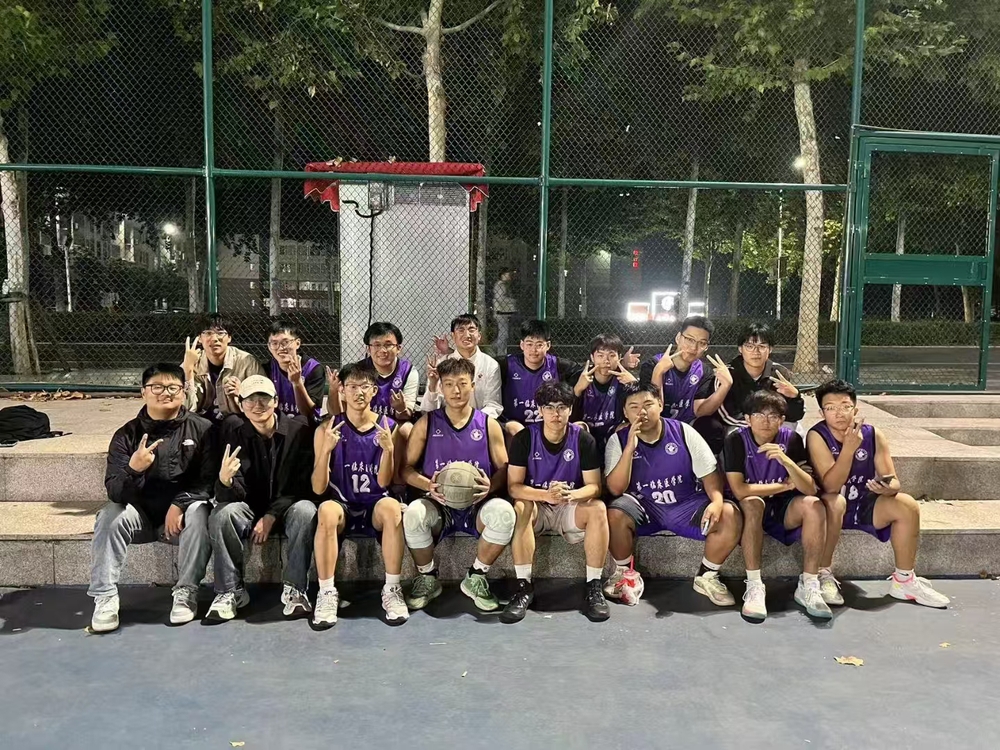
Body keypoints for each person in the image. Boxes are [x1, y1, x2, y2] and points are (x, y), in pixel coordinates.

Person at [89, 363, 214, 633]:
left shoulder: (203, 429)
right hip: (141, 515)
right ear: (143, 392)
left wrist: (180, 503)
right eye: (157, 387)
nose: (165, 393)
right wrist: (134, 469)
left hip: (181, 519)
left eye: (173, 387)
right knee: (109, 514)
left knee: (199, 511)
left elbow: (208, 481)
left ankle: (186, 591)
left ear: (184, 391)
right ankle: (105, 597)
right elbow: (114, 490)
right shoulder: (127, 434)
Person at [807, 379, 950, 608]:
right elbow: (831, 486)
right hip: (830, 508)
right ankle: (823, 574)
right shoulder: (817, 435)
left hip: (864, 503)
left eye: (845, 406)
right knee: (835, 501)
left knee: (907, 504)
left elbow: (893, 480)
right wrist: (848, 450)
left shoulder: (873, 434)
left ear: (855, 409)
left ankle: (904, 580)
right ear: (822, 413)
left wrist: (888, 487)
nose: (839, 413)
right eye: (830, 408)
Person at [603, 385, 741, 608]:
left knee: (729, 513)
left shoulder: (684, 431)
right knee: (614, 513)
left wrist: (716, 501)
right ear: (625, 413)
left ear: (660, 405)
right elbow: (616, 489)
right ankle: (624, 574)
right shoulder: (618, 440)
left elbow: (710, 473)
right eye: (634, 407)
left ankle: (707, 576)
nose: (642, 412)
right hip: (644, 506)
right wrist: (629, 449)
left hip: (685, 505)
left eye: (648, 404)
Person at [402, 358, 514, 612]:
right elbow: (406, 470)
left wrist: (491, 486)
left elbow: (505, 468)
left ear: (473, 386)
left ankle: (476, 576)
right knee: (413, 513)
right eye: (449, 384)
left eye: (463, 384)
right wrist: (427, 484)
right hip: (438, 504)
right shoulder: (427, 423)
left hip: (477, 504)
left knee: (505, 513)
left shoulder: (488, 424)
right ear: (440, 387)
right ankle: (428, 577)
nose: (456, 390)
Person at [206, 375, 319, 622]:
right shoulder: (233, 432)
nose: (258, 405)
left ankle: (295, 589)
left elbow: (302, 486)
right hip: (248, 507)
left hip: (287, 506)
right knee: (222, 514)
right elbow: (230, 495)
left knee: (307, 510)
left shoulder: (298, 430)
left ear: (276, 401)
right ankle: (230, 591)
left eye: (264, 398)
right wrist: (225, 481)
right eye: (250, 399)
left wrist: (271, 515)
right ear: (241, 403)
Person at [501, 381, 609, 624]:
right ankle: (523, 587)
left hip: (568, 506)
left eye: (561, 407)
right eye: (549, 407)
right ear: (540, 410)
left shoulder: (583, 440)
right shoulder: (525, 438)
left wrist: (570, 494)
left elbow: (594, 486)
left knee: (598, 509)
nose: (555, 414)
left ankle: (594, 586)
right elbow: (514, 487)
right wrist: (545, 495)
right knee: (521, 506)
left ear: (570, 410)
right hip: (538, 506)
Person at [311, 362, 409, 627]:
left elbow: (384, 481)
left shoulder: (388, 427)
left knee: (392, 508)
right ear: (341, 391)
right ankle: (327, 592)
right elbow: (318, 488)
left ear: (374, 391)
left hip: (374, 504)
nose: (359, 392)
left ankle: (392, 589)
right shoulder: (327, 428)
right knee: (326, 510)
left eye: (365, 386)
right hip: (342, 504)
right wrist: (326, 451)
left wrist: (388, 450)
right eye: (352, 386)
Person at [723, 391, 830, 622]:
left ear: (782, 420)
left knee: (814, 505)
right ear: (747, 419)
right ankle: (754, 585)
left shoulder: (791, 439)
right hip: (749, 507)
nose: (766, 421)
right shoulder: (736, 440)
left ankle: (809, 583)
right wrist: (783, 486)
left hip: (782, 507)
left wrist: (786, 461)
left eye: (773, 416)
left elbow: (809, 488)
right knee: (752, 503)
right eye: (759, 415)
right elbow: (740, 490)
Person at [692, 321, 804, 454]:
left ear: (770, 349)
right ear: (740, 348)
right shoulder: (728, 373)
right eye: (749, 346)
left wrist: (795, 397)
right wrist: (755, 425)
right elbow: (725, 413)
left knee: (796, 430)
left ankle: (791, 465)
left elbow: (793, 416)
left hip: (770, 424)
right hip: (736, 425)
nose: (756, 352)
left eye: (762, 346)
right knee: (717, 430)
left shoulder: (779, 373)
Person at [499, 319, 582, 437]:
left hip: (549, 425)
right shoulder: (506, 365)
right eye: (529, 344)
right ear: (522, 345)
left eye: (539, 345)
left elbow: (582, 372)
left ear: (548, 345)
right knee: (513, 430)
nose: (534, 350)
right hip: (515, 425)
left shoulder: (559, 366)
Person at [328, 321, 419, 423]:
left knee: (407, 428)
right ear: (368, 349)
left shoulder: (408, 372)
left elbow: (406, 416)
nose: (382, 350)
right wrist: (333, 391)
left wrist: (400, 409)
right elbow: (336, 415)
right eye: (377, 345)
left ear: (398, 348)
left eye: (388, 345)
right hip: (362, 423)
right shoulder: (357, 371)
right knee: (325, 426)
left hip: (394, 423)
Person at [181, 314, 265, 424]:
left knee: (233, 421)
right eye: (208, 333)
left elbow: (262, 399)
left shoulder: (246, 361)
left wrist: (242, 393)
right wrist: (188, 370)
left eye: (220, 333)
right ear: (200, 338)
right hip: (202, 422)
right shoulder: (192, 362)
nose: (214, 339)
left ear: (229, 337)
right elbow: (186, 408)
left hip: (235, 421)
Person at [421, 313, 502, 419]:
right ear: (453, 336)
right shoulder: (441, 364)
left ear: (479, 336)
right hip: (446, 422)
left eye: (471, 330)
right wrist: (433, 384)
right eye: (461, 330)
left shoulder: (490, 365)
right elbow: (428, 409)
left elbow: (493, 405)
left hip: (478, 423)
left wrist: (471, 422)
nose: (467, 335)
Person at [572, 333, 638, 452]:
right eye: (600, 355)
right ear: (592, 358)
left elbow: (641, 407)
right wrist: (577, 390)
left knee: (629, 427)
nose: (606, 361)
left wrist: (634, 383)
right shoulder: (579, 377)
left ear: (619, 357)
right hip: (586, 432)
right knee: (578, 427)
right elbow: (568, 414)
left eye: (611, 355)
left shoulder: (624, 379)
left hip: (613, 432)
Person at [641, 315, 713, 424]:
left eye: (702, 343)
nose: (694, 348)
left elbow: (700, 411)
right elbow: (652, 410)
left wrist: (726, 386)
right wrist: (658, 372)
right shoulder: (651, 365)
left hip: (687, 428)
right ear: (678, 338)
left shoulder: (704, 371)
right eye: (690, 339)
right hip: (656, 426)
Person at [266, 320, 325, 420]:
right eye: (274, 343)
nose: (280, 348)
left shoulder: (313, 369)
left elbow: (309, 412)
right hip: (277, 423)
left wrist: (297, 383)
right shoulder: (268, 369)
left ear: (297, 343)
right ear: (269, 347)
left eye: (285, 342)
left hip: (306, 423)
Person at [493, 267, 518, 355]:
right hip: (501, 313)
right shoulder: (501, 285)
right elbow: (500, 298)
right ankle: (498, 351)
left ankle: (500, 351)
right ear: (503, 275)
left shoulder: (503, 285)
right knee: (503, 334)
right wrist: (512, 301)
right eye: (508, 274)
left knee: (504, 334)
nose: (510, 276)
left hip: (503, 312)